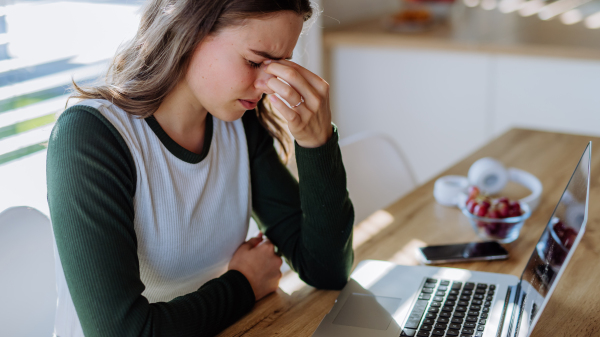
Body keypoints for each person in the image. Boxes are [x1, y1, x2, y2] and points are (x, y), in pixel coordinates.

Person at [46, 0, 354, 336]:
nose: (267, 85)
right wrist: (244, 285)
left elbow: (326, 271)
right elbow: (123, 332)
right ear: (190, 32)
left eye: (280, 65)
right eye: (254, 61)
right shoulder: (91, 138)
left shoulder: (239, 126)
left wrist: (317, 143)